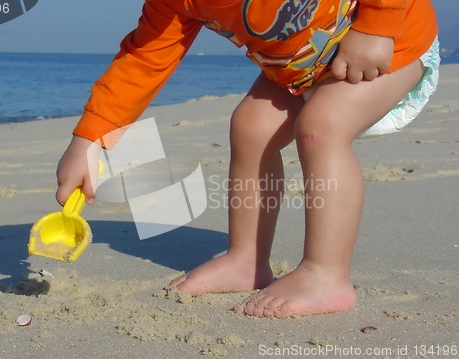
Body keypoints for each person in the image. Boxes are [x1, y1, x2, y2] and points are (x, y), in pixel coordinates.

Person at [55, 0, 439, 318]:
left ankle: (327, 274)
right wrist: (90, 137)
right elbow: (144, 59)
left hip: (394, 41)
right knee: (250, 127)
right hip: (301, 71)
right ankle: (246, 260)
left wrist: (378, 25)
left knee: (321, 127)